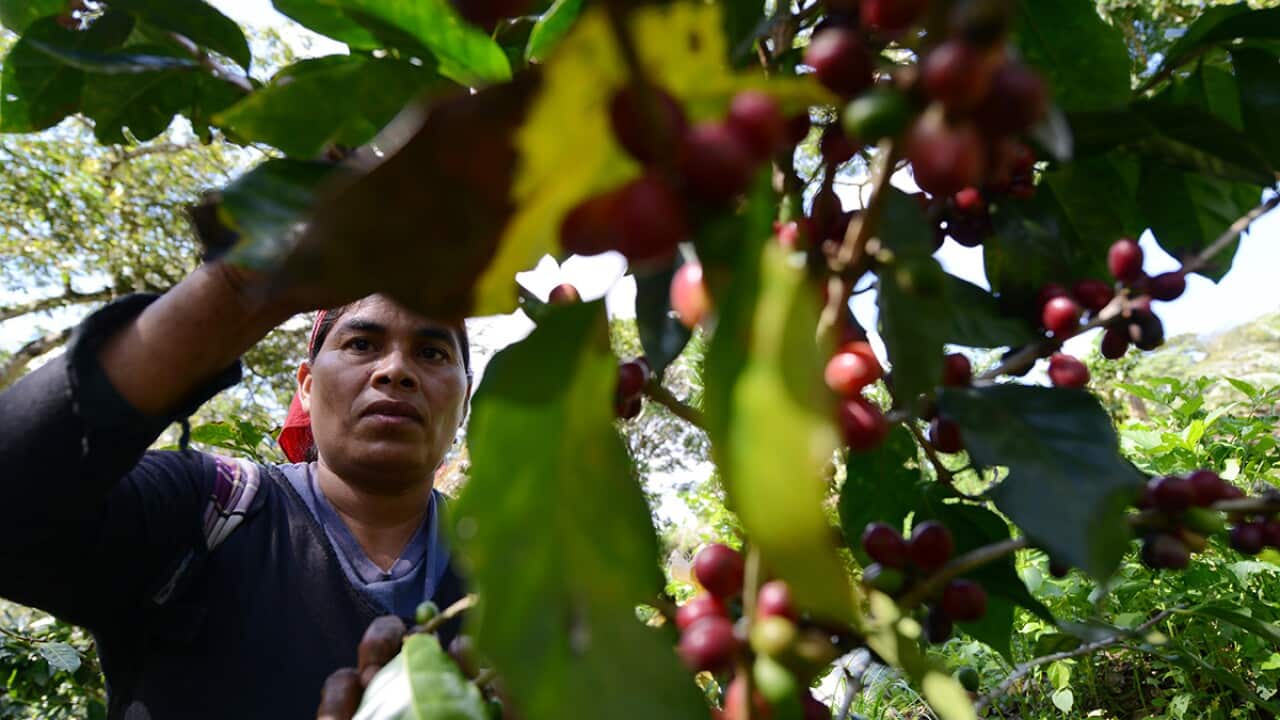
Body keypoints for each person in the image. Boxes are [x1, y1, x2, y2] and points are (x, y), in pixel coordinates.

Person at [0, 261, 473, 719]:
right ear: (306, 388)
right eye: (362, 344)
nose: (394, 370)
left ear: (465, 400)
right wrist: (237, 281)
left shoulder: (509, 563)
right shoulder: (206, 507)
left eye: (431, 353)